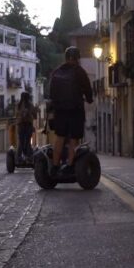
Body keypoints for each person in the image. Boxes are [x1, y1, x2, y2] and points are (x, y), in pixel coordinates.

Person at [48, 46, 93, 176]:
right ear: (77, 58)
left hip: (60, 111)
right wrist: (89, 99)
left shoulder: (56, 72)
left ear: (66, 58)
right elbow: (87, 90)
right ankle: (69, 165)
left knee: (60, 137)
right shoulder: (80, 72)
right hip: (76, 110)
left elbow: (51, 93)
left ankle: (55, 166)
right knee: (74, 139)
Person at [16, 92, 37, 159]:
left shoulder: (18, 105)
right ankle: (29, 156)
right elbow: (35, 115)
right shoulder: (30, 105)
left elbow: (16, 115)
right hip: (28, 125)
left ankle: (19, 157)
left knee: (21, 142)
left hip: (21, 126)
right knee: (28, 141)